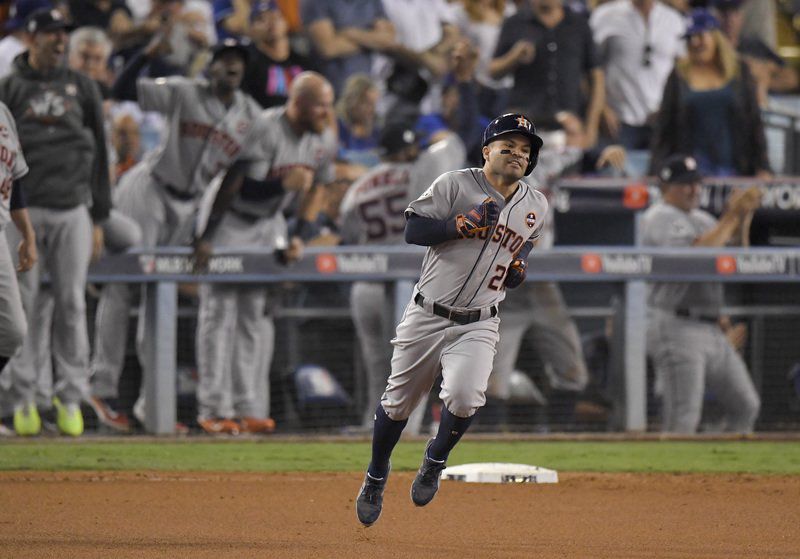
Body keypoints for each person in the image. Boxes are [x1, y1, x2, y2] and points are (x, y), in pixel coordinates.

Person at [355, 112, 548, 526]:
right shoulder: (454, 184)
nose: (517, 153)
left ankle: (434, 460)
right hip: (427, 313)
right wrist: (457, 225)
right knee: (399, 402)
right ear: (486, 151)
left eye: (525, 150)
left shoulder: (536, 203)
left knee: (464, 397)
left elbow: (526, 243)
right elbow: (413, 230)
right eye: (508, 145)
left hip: (479, 320)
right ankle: (375, 475)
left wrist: (519, 266)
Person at [90, 34, 263, 433]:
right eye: (225, 58)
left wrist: (207, 235)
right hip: (148, 189)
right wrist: (147, 52)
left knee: (161, 298)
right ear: (211, 65)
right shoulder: (184, 92)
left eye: (239, 58)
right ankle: (102, 385)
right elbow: (121, 89)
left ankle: (153, 405)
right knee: (122, 286)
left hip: (191, 206)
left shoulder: (250, 117)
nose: (232, 64)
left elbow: (233, 181)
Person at [191, 71, 338, 435]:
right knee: (219, 313)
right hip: (227, 216)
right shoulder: (265, 128)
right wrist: (206, 237)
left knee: (253, 315)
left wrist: (299, 236)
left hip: (268, 221)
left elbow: (316, 192)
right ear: (299, 103)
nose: (326, 112)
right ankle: (213, 408)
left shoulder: (323, 139)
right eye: (320, 105)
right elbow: (234, 187)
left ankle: (247, 407)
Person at [0, 8, 111, 437]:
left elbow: (101, 151)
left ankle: (70, 399)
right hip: (24, 210)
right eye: (51, 34)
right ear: (32, 37)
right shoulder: (10, 87)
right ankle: (23, 400)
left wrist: (100, 216)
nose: (59, 41)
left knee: (71, 304)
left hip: (71, 207)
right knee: (22, 308)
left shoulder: (82, 86)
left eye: (63, 34)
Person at [338, 122, 466, 433]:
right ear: (407, 150)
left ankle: (374, 428)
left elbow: (348, 237)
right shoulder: (423, 173)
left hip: (366, 284)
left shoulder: (359, 187)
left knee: (377, 367)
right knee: (414, 366)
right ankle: (405, 434)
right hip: (411, 282)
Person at [642, 153, 761, 434]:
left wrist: (743, 217)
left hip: (711, 326)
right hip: (676, 325)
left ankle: (722, 470)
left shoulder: (705, 219)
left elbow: (735, 257)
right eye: (685, 184)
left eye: (696, 183)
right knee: (683, 417)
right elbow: (696, 256)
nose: (694, 189)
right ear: (666, 188)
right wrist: (732, 215)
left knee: (746, 405)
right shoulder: (659, 216)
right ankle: (671, 476)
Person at [649, 8, 771, 178]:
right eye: (690, 38)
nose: (695, 43)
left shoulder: (739, 72)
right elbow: (664, 129)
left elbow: (754, 123)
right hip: (691, 174)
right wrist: (656, 171)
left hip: (736, 170)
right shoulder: (678, 76)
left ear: (715, 37)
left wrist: (763, 167)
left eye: (700, 36)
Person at [490, 0, 604, 148]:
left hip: (569, 127)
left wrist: (591, 129)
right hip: (524, 126)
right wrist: (514, 57)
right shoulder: (515, 22)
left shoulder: (579, 24)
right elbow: (493, 71)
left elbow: (597, 78)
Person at [589, 0, 686, 150]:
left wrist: (671, 108)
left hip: (662, 121)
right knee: (617, 172)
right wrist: (602, 108)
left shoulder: (673, 20)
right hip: (619, 121)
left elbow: (683, 70)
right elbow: (590, 68)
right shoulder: (605, 15)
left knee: (660, 172)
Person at [0, 101, 38, 435]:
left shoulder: (3, 113)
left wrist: (27, 233)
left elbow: (16, 181)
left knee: (12, 331)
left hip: (0, 232)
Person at [711, 0, 799, 107]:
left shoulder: (755, 46)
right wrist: (746, 68)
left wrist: (764, 77)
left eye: (734, 13)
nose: (730, 20)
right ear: (714, 16)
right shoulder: (707, 51)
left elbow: (792, 78)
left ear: (741, 17)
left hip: (769, 108)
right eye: (724, 14)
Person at [301, 0, 395, 95]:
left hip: (366, 88)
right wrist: (372, 39)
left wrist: (351, 33)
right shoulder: (316, 2)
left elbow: (387, 40)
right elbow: (329, 48)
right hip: (330, 91)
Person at [241, 1, 312, 109]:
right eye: (262, 19)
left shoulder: (303, 63)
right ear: (251, 30)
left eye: (276, 17)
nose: (271, 22)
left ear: (285, 23)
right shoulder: (248, 65)